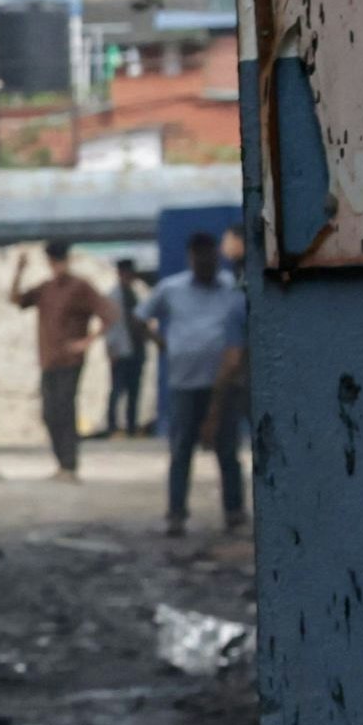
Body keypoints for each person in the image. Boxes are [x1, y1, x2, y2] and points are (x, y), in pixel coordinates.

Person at [148, 229, 253, 535]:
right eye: (198, 260)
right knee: (181, 451)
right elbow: (140, 317)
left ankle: (234, 511)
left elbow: (234, 356)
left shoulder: (232, 291)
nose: (203, 265)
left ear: (214, 258)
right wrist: (165, 346)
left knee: (227, 451)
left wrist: (214, 412)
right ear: (190, 259)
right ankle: (176, 513)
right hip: (185, 384)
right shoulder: (171, 288)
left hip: (225, 382)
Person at [9, 241, 111, 481]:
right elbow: (16, 299)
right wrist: (19, 270)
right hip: (49, 359)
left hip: (70, 360)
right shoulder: (46, 288)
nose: (57, 267)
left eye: (60, 261)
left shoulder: (80, 287)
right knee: (49, 412)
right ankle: (61, 462)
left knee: (65, 410)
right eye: (53, 262)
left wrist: (86, 341)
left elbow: (108, 313)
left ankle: (70, 464)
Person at [102, 264, 153, 436]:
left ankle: (131, 426)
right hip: (121, 350)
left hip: (136, 349)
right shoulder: (113, 296)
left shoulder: (134, 295)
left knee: (134, 390)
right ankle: (112, 426)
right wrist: (110, 349)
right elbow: (108, 325)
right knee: (117, 389)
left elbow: (140, 321)